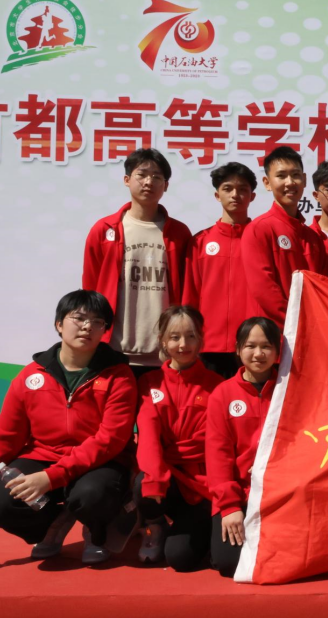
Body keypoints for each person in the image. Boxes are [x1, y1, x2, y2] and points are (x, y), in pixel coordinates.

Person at [0, 290, 137, 564]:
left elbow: (110, 440)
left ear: (104, 331)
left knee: (93, 495)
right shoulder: (30, 375)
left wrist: (52, 477)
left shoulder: (119, 375)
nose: (87, 327)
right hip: (44, 455)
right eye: (79, 318)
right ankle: (53, 523)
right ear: (59, 324)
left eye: (97, 322)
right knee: (3, 499)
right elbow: (8, 436)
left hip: (99, 462)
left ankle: (96, 533)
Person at [82, 148, 191, 377]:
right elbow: (91, 288)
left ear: (166, 185)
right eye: (141, 175)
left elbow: (187, 291)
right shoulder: (104, 230)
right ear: (127, 179)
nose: (148, 182)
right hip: (113, 350)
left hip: (165, 354)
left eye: (157, 177)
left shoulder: (179, 234)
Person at [135, 306, 223, 570]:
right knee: (142, 483)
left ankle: (202, 529)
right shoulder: (149, 382)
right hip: (167, 479)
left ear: (201, 339)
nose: (183, 344)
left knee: (181, 559)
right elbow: (149, 435)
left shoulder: (218, 385)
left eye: (191, 336)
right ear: (163, 340)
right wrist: (155, 480)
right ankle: (155, 525)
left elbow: (209, 441)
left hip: (203, 483)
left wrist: (171, 449)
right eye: (175, 337)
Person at [206, 317, 281, 578]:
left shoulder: (290, 389)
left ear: (277, 352)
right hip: (239, 494)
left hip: (279, 493)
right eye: (250, 346)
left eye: (266, 346)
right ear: (238, 350)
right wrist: (229, 507)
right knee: (229, 564)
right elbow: (217, 455)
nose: (258, 354)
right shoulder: (222, 394)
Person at [184, 162, 257, 378]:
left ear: (252, 196)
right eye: (228, 188)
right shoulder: (200, 242)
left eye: (242, 189)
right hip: (209, 346)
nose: (235, 195)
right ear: (217, 195)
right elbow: (190, 295)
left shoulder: (261, 239)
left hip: (252, 345)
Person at [240, 146, 326, 328]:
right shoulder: (259, 229)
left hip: (309, 331)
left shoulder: (313, 237)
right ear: (267, 183)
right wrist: (295, 323)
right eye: (281, 176)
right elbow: (264, 289)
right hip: (271, 333)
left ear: (304, 180)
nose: (290, 182)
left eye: (295, 175)